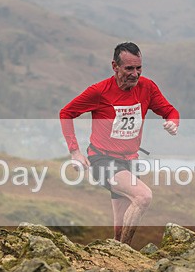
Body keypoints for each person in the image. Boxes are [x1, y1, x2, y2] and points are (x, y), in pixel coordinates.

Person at [60, 42, 179, 245]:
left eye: (139, 68)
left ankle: (116, 254)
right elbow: (66, 113)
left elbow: (169, 110)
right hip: (103, 159)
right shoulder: (99, 91)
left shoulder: (147, 88)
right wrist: (75, 152)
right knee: (143, 197)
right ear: (115, 66)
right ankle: (125, 251)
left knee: (120, 226)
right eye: (129, 68)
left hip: (131, 161)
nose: (135, 74)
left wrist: (172, 122)